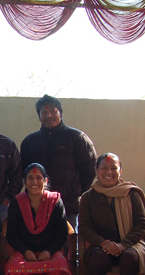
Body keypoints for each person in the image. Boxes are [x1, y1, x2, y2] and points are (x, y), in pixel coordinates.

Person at [4, 163, 75, 275]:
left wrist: (50, 251)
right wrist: (25, 251)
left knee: (60, 267)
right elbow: (12, 234)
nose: (34, 182)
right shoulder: (16, 203)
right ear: (24, 181)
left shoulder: (55, 202)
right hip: (25, 251)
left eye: (38, 178)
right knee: (14, 269)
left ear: (46, 181)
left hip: (50, 251)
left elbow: (62, 232)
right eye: (30, 178)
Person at [19, 95, 96, 230]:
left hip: (69, 207)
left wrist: (75, 192)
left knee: (68, 240)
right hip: (37, 206)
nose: (48, 115)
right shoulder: (30, 141)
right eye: (44, 112)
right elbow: (23, 171)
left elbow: (90, 170)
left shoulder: (77, 138)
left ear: (61, 113)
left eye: (53, 111)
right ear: (39, 116)